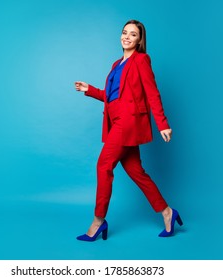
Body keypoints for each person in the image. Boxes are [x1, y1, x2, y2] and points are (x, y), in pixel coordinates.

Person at [74, 20, 182, 241]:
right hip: (117, 121)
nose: (127, 37)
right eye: (124, 33)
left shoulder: (141, 60)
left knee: (104, 165)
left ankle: (98, 221)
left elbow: (152, 93)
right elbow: (112, 95)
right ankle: (167, 212)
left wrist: (162, 124)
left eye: (133, 34)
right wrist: (90, 90)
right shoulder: (116, 64)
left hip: (128, 122)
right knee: (136, 171)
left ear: (139, 40)